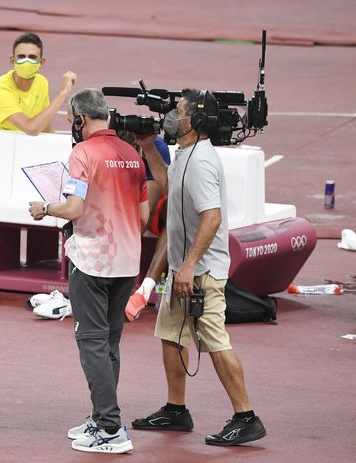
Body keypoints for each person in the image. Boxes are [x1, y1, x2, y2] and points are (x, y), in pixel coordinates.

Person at [130, 89, 267, 446]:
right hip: (182, 268)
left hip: (201, 271)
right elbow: (169, 185)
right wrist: (148, 147)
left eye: (178, 111)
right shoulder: (185, 154)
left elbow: (212, 217)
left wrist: (190, 266)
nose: (172, 116)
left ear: (197, 121)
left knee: (215, 341)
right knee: (171, 336)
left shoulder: (203, 161)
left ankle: (246, 416)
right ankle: (176, 410)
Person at [29, 89, 149, 454]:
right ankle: (101, 417)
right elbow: (143, 217)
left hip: (93, 262)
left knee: (92, 344)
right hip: (128, 262)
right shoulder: (132, 154)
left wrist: (45, 208)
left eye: (71, 120)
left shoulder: (82, 153)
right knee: (109, 342)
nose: (72, 127)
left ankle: (111, 429)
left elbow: (74, 208)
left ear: (81, 119)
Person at [0, 32, 77, 135]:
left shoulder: (41, 83)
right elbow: (31, 129)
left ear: (41, 62)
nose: (26, 61)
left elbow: (44, 126)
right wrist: (63, 93)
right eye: (21, 57)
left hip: (20, 144)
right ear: (12, 61)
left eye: (32, 57)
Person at [125, 135, 171, 321]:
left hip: (155, 209)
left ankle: (143, 291)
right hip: (122, 201)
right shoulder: (106, 147)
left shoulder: (155, 146)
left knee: (175, 215)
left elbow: (146, 213)